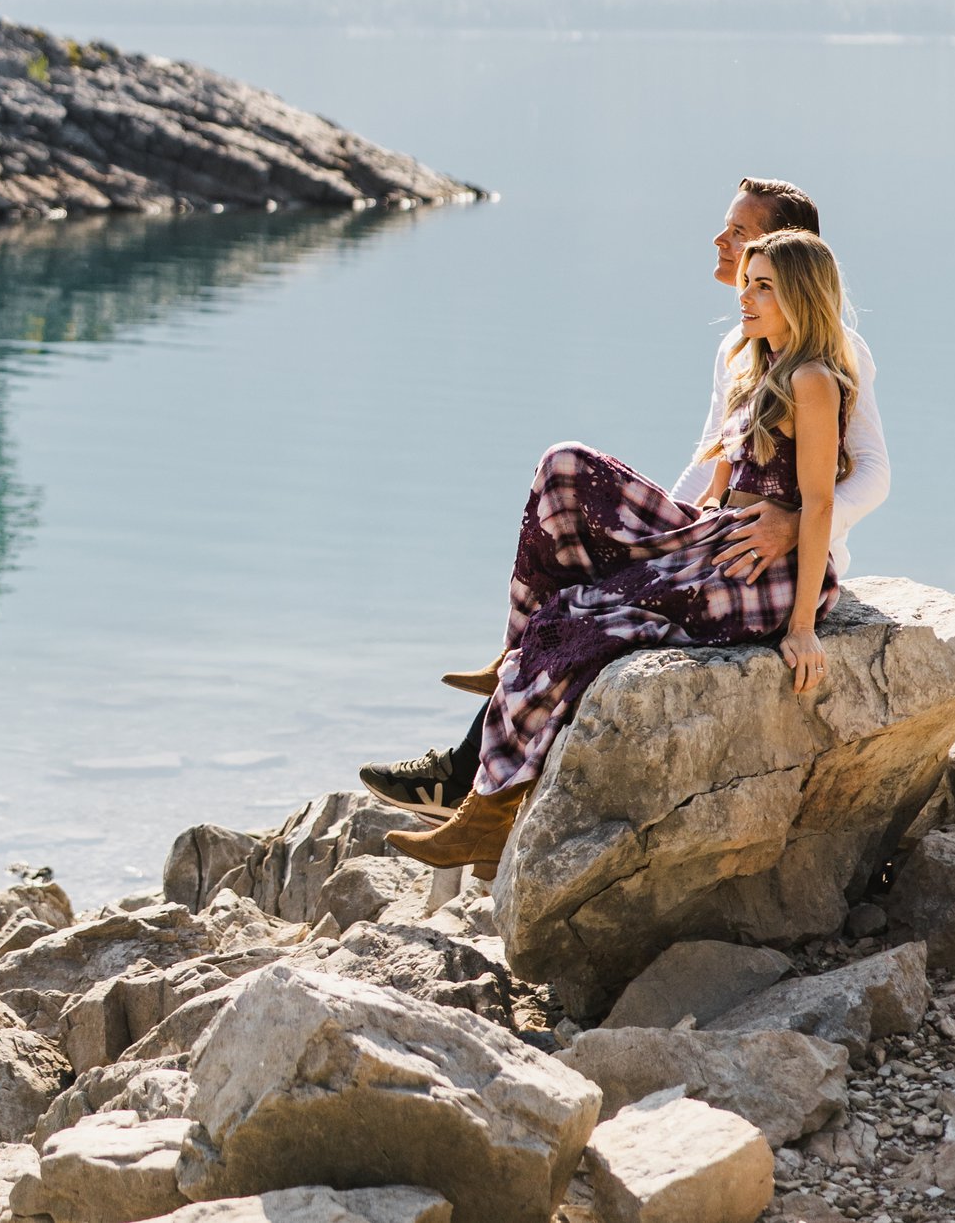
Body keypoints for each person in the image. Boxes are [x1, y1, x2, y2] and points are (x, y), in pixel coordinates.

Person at [359, 176, 889, 818]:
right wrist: (657, 537)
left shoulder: (832, 358)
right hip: (716, 534)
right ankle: (510, 665)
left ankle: (469, 781)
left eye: (741, 235)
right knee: (564, 480)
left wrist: (794, 526)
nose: (720, 242)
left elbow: (871, 473)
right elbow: (711, 462)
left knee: (594, 606)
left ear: (794, 263)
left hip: (774, 558)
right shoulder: (744, 351)